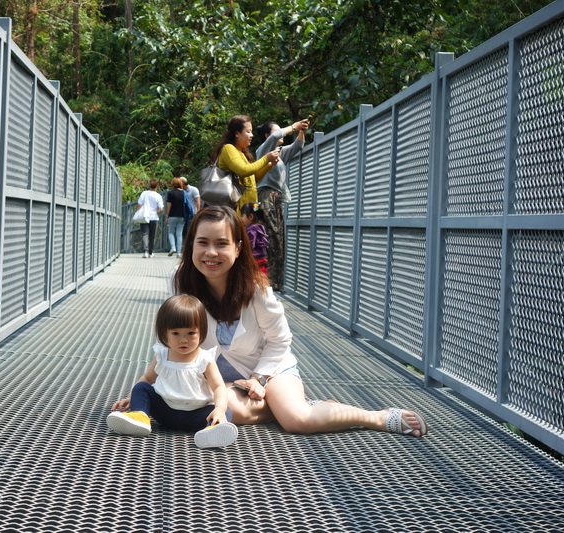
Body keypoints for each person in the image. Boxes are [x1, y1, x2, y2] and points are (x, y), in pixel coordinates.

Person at [170, 206, 428, 437]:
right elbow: (177, 335)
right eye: (202, 242)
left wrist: (259, 379)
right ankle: (294, 405)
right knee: (220, 405)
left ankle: (376, 417)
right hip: (218, 378)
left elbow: (279, 341)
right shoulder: (180, 281)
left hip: (269, 370)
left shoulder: (255, 288)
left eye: (222, 244)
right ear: (191, 244)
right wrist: (146, 386)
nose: (211, 252)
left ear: (238, 248)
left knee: (297, 420)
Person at [108, 294, 239, 448]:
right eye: (176, 333)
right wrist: (131, 398)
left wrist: (219, 409)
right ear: (165, 333)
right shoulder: (162, 355)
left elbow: (218, 387)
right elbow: (148, 378)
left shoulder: (205, 359)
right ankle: (140, 417)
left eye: (191, 333)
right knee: (141, 388)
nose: (183, 340)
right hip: (165, 413)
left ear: (201, 331)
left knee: (227, 411)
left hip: (197, 415)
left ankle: (211, 430)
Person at [255, 118, 310, 292]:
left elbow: (297, 147)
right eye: (276, 131)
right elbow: (276, 137)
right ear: (266, 135)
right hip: (265, 197)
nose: (281, 134)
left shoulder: (279, 154)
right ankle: (265, 282)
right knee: (270, 239)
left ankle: (276, 283)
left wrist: (302, 130)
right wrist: (294, 126)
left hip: (276, 199)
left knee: (279, 241)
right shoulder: (263, 150)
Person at [210, 115, 280, 212]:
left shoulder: (243, 154)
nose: (252, 135)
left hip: (250, 210)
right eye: (248, 131)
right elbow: (244, 171)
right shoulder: (228, 149)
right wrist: (266, 158)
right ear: (237, 133)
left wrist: (269, 165)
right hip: (236, 211)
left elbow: (253, 179)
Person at [239, 202, 270, 275]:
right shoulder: (261, 228)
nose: (241, 218)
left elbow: (249, 246)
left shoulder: (251, 230)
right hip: (262, 260)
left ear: (250, 217)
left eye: (242, 215)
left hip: (254, 261)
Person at [137, 179, 164, 258]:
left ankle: (145, 251)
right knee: (152, 235)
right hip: (154, 217)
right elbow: (161, 208)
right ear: (157, 186)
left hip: (145, 217)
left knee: (145, 234)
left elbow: (139, 204)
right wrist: (156, 212)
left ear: (149, 185)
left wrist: (141, 212)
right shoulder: (158, 196)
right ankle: (151, 252)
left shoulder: (144, 193)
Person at [165, 177, 187, 258]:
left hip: (172, 215)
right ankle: (178, 253)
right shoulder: (184, 193)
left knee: (171, 232)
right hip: (182, 216)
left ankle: (173, 247)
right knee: (179, 234)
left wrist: (167, 215)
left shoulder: (171, 193)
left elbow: (169, 205)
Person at [180, 177, 200, 244]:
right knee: (183, 231)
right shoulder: (181, 191)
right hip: (183, 214)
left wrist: (197, 212)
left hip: (192, 214)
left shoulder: (193, 189)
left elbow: (198, 201)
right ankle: (185, 246)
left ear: (182, 183)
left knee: (190, 231)